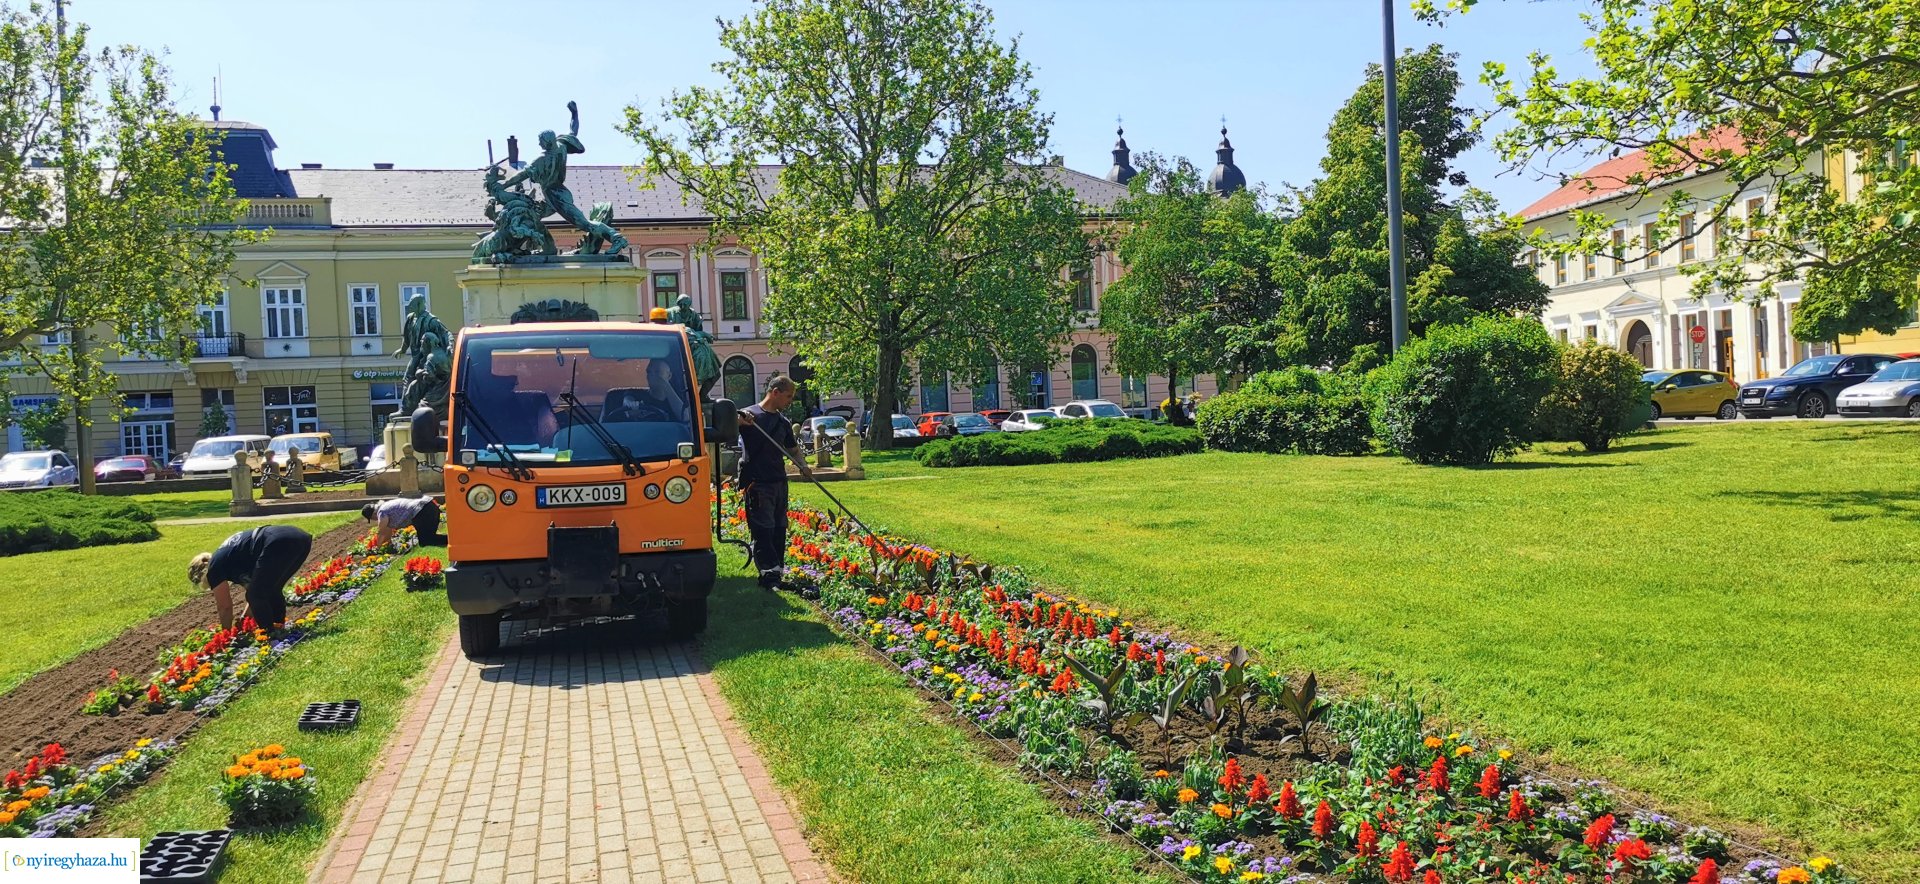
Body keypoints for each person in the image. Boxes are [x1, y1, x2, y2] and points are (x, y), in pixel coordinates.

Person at [737, 376, 815, 598]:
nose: (791, 401)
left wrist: (803, 466)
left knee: (779, 527)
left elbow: (792, 450)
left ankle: (777, 571)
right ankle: (767, 574)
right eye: (789, 396)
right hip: (758, 483)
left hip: (779, 481)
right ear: (775, 392)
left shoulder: (783, 422)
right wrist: (740, 421)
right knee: (764, 529)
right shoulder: (749, 415)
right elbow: (726, 423)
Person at [187, 525, 314, 630]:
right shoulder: (227, 559)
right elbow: (253, 587)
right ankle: (279, 627)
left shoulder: (214, 568)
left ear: (202, 574)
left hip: (277, 542)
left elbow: (224, 607)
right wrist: (245, 618)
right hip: (299, 537)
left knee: (257, 594)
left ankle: (269, 633)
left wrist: (226, 633)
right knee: (271, 590)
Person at [362, 496, 445, 547]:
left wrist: (378, 547)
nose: (375, 520)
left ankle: (452, 541)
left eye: (373, 519)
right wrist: (388, 543)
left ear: (373, 514)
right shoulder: (385, 507)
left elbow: (382, 532)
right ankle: (453, 540)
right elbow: (387, 531)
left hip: (422, 512)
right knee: (427, 538)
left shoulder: (381, 512)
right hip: (429, 507)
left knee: (426, 541)